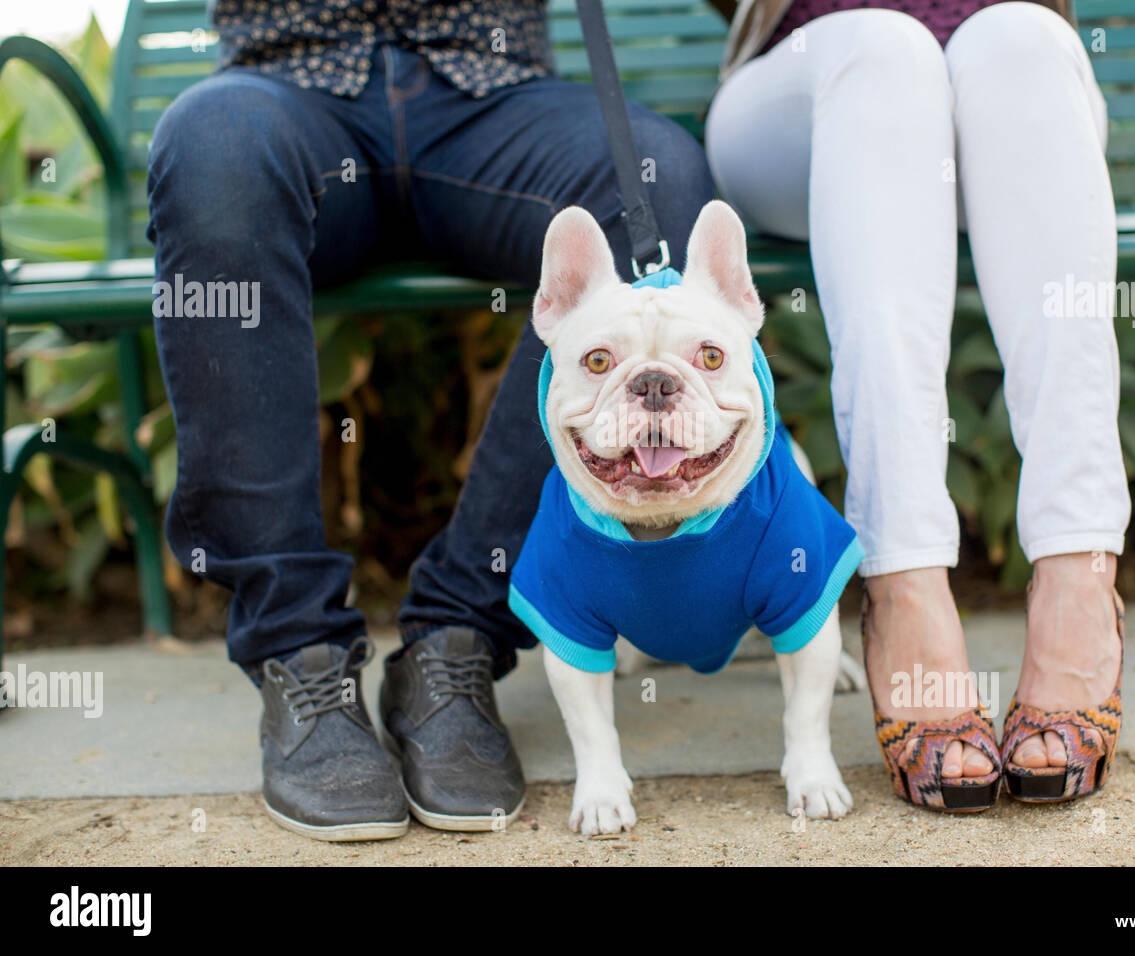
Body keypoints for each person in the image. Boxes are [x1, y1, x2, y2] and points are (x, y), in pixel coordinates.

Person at [148, 0, 714, 839]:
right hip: (289, 81)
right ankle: (299, 653)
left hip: (489, 94)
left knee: (655, 176)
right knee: (213, 151)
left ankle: (461, 637)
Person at [705, 0, 1130, 810]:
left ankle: (1081, 568)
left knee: (1021, 34)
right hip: (807, 97)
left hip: (1011, 99)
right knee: (884, 45)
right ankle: (902, 579)